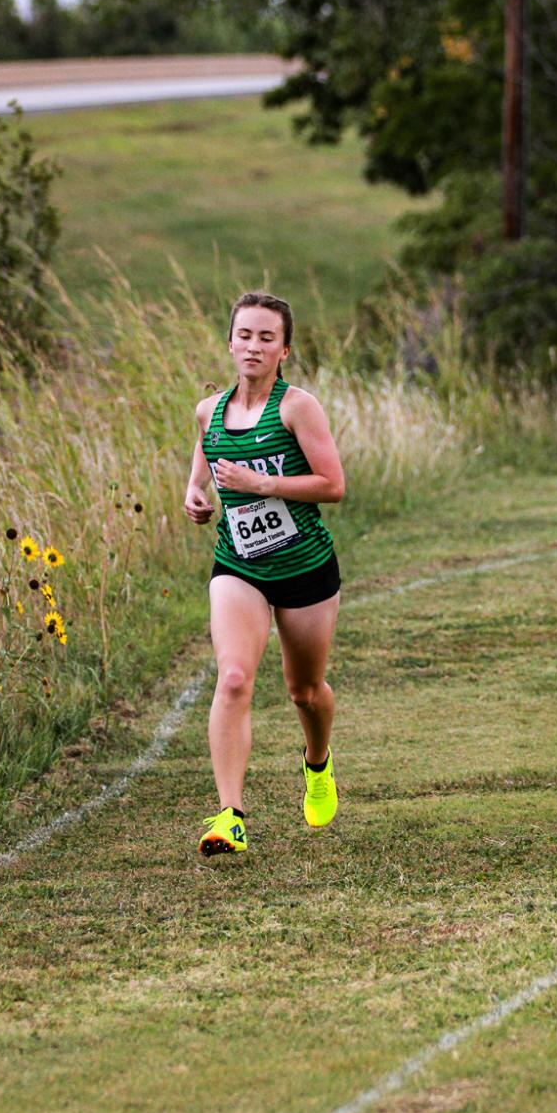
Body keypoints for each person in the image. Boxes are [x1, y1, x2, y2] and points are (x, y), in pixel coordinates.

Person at [183, 291, 346, 856]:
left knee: (304, 691)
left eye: (266, 338)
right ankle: (230, 816)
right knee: (232, 678)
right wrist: (195, 494)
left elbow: (333, 485)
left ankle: (318, 763)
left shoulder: (297, 407)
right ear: (230, 342)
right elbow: (203, 463)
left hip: (304, 566)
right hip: (239, 565)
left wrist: (264, 485)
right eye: (245, 335)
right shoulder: (209, 410)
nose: (253, 346)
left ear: (284, 350)